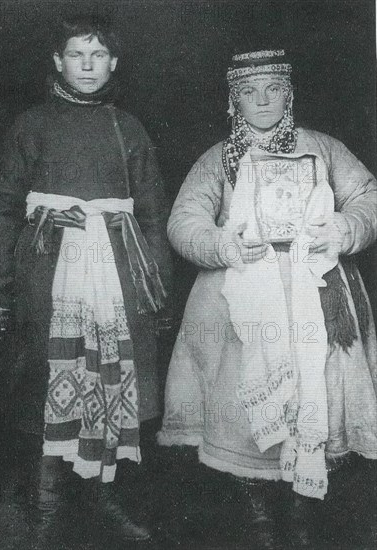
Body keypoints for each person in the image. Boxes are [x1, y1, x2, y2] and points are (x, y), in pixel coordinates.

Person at [158, 49, 377, 547]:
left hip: (315, 291)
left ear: (290, 93)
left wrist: (346, 227)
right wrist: (221, 244)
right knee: (242, 404)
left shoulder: (321, 147)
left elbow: (369, 196)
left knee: (314, 390)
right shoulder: (219, 158)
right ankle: (259, 510)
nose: (262, 100)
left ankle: (301, 507)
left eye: (273, 89)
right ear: (232, 100)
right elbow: (183, 220)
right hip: (240, 299)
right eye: (249, 91)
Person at [0, 16, 172, 544]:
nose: (87, 67)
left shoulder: (127, 127)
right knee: (48, 386)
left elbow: (153, 213)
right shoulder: (31, 125)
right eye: (76, 55)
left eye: (98, 56)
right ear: (57, 61)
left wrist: (154, 288)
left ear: (114, 63)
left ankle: (103, 498)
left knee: (110, 384)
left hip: (117, 279)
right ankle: (44, 510)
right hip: (48, 275)